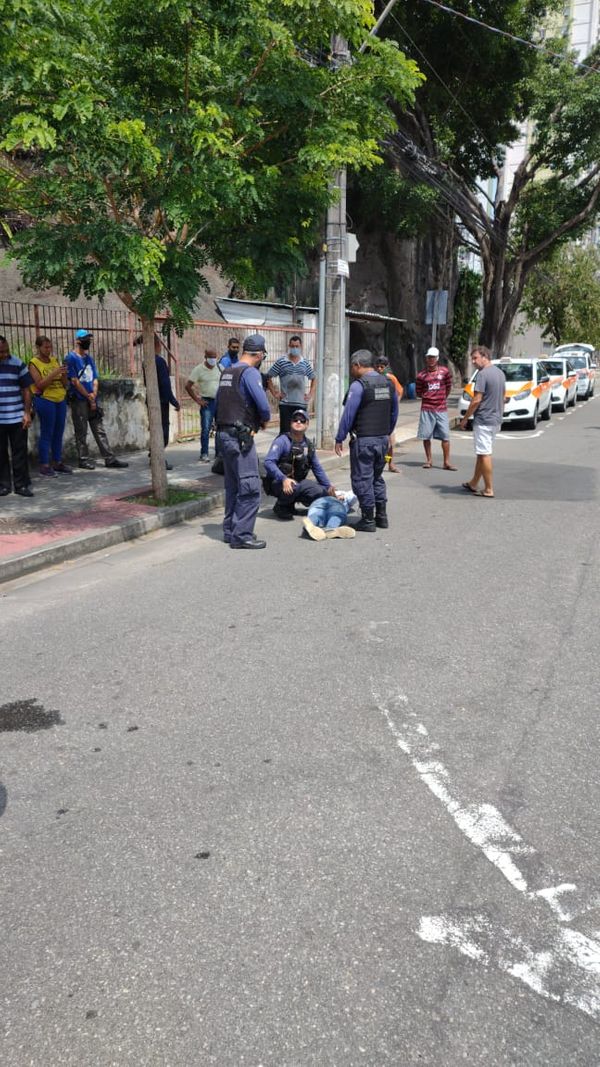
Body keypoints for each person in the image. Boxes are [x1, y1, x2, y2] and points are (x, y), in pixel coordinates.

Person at [215, 333, 272, 549]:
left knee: (233, 486)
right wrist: (265, 420)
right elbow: (263, 405)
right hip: (240, 437)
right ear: (259, 354)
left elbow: (219, 402)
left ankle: (230, 530)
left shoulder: (228, 371)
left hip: (223, 434)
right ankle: (242, 535)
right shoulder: (250, 373)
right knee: (249, 486)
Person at [335, 350, 398, 532]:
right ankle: (381, 516)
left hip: (364, 441)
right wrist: (387, 432)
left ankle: (368, 519)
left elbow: (348, 415)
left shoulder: (359, 386)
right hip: (382, 440)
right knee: (377, 478)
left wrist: (340, 437)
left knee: (363, 479)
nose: (352, 370)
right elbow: (394, 413)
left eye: (352, 367)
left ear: (357, 365)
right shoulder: (388, 383)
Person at [65, 329, 128, 470]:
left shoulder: (89, 359)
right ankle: (83, 459)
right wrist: (88, 396)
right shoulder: (71, 358)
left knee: (99, 429)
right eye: (85, 339)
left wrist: (93, 395)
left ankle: (109, 458)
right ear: (78, 341)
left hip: (91, 398)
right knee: (81, 431)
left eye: (89, 339)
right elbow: (74, 381)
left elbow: (94, 378)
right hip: (79, 400)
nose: (88, 342)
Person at [263, 409, 336, 520]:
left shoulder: (308, 445)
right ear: (290, 423)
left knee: (322, 493)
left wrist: (328, 487)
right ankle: (281, 506)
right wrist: (283, 479)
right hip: (278, 482)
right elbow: (268, 462)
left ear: (307, 424)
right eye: (295, 420)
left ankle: (290, 504)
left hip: (298, 482)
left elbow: (317, 468)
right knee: (294, 486)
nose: (298, 422)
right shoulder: (282, 441)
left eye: (302, 420)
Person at [459, 345, 506, 498]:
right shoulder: (500, 373)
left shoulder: (483, 375)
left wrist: (465, 418)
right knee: (481, 453)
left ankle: (489, 489)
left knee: (484, 453)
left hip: (484, 419)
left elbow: (476, 400)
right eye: (472, 359)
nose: (473, 362)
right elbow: (503, 398)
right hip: (495, 419)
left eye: (475, 358)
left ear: (484, 356)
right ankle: (474, 482)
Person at [29, 335, 72, 477]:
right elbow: (39, 385)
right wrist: (54, 373)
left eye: (50, 347)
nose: (48, 350)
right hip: (45, 400)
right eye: (45, 347)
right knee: (47, 432)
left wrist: (64, 375)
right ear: (38, 347)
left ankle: (57, 462)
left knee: (59, 432)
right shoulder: (33, 363)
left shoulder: (54, 361)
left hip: (60, 398)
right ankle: (44, 465)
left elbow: (64, 384)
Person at [0, 335, 34, 497]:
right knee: (0, 453)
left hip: (16, 417)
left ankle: (21, 485)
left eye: (6, 350)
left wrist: (26, 413)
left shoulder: (18, 363)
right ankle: (4, 485)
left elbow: (27, 390)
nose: (5, 354)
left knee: (19, 452)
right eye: (1, 352)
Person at [415, 346, 456, 471]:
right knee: (426, 436)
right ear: (426, 358)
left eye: (433, 357)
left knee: (445, 436)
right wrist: (428, 397)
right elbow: (418, 392)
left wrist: (442, 398)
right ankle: (429, 460)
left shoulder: (444, 372)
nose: (431, 359)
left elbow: (448, 387)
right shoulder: (421, 375)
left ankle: (446, 462)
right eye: (429, 357)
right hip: (427, 408)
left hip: (441, 409)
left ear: (437, 358)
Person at [266, 334, 316, 433]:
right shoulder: (281, 362)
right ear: (289, 346)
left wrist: (310, 394)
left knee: (299, 432)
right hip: (286, 404)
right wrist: (275, 393)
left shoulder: (305, 363)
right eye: (292, 346)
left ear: (301, 347)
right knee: (285, 432)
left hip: (301, 404)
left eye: (297, 346)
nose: (294, 348)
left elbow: (314, 378)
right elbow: (268, 377)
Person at [149, 335, 180, 470]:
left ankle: (154, 455)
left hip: (151, 399)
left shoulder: (147, 361)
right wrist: (174, 401)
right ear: (157, 345)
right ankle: (158, 458)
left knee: (156, 428)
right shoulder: (160, 361)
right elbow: (165, 384)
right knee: (163, 430)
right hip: (161, 400)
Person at [185, 348, 220, 461]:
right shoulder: (198, 370)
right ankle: (204, 453)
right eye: (211, 357)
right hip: (207, 402)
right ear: (205, 357)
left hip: (219, 401)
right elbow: (188, 386)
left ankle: (219, 454)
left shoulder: (220, 368)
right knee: (206, 428)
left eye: (215, 357)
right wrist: (197, 400)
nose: (213, 359)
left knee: (220, 428)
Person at [374, 355, 404, 472]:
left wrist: (394, 406)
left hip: (388, 415)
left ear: (386, 367)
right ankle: (379, 463)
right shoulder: (373, 378)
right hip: (377, 415)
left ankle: (390, 463)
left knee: (390, 443)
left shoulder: (391, 378)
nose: (380, 369)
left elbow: (400, 391)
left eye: (382, 367)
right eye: (378, 367)